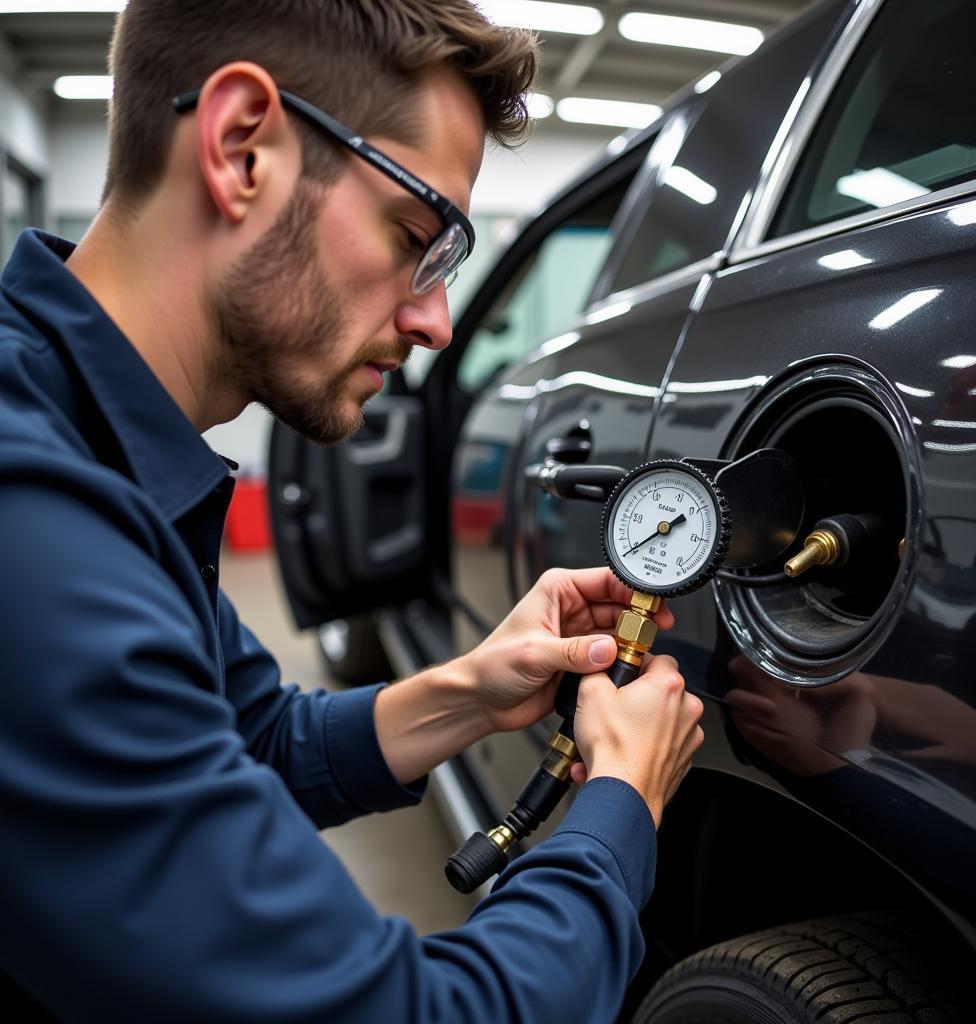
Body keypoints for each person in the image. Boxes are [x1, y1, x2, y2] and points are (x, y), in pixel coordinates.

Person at [0, 2, 704, 1021]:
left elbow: (253, 740)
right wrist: (621, 802)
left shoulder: (85, 439)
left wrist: (467, 690)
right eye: (415, 235)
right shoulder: (32, 520)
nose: (433, 320)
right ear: (244, 148)